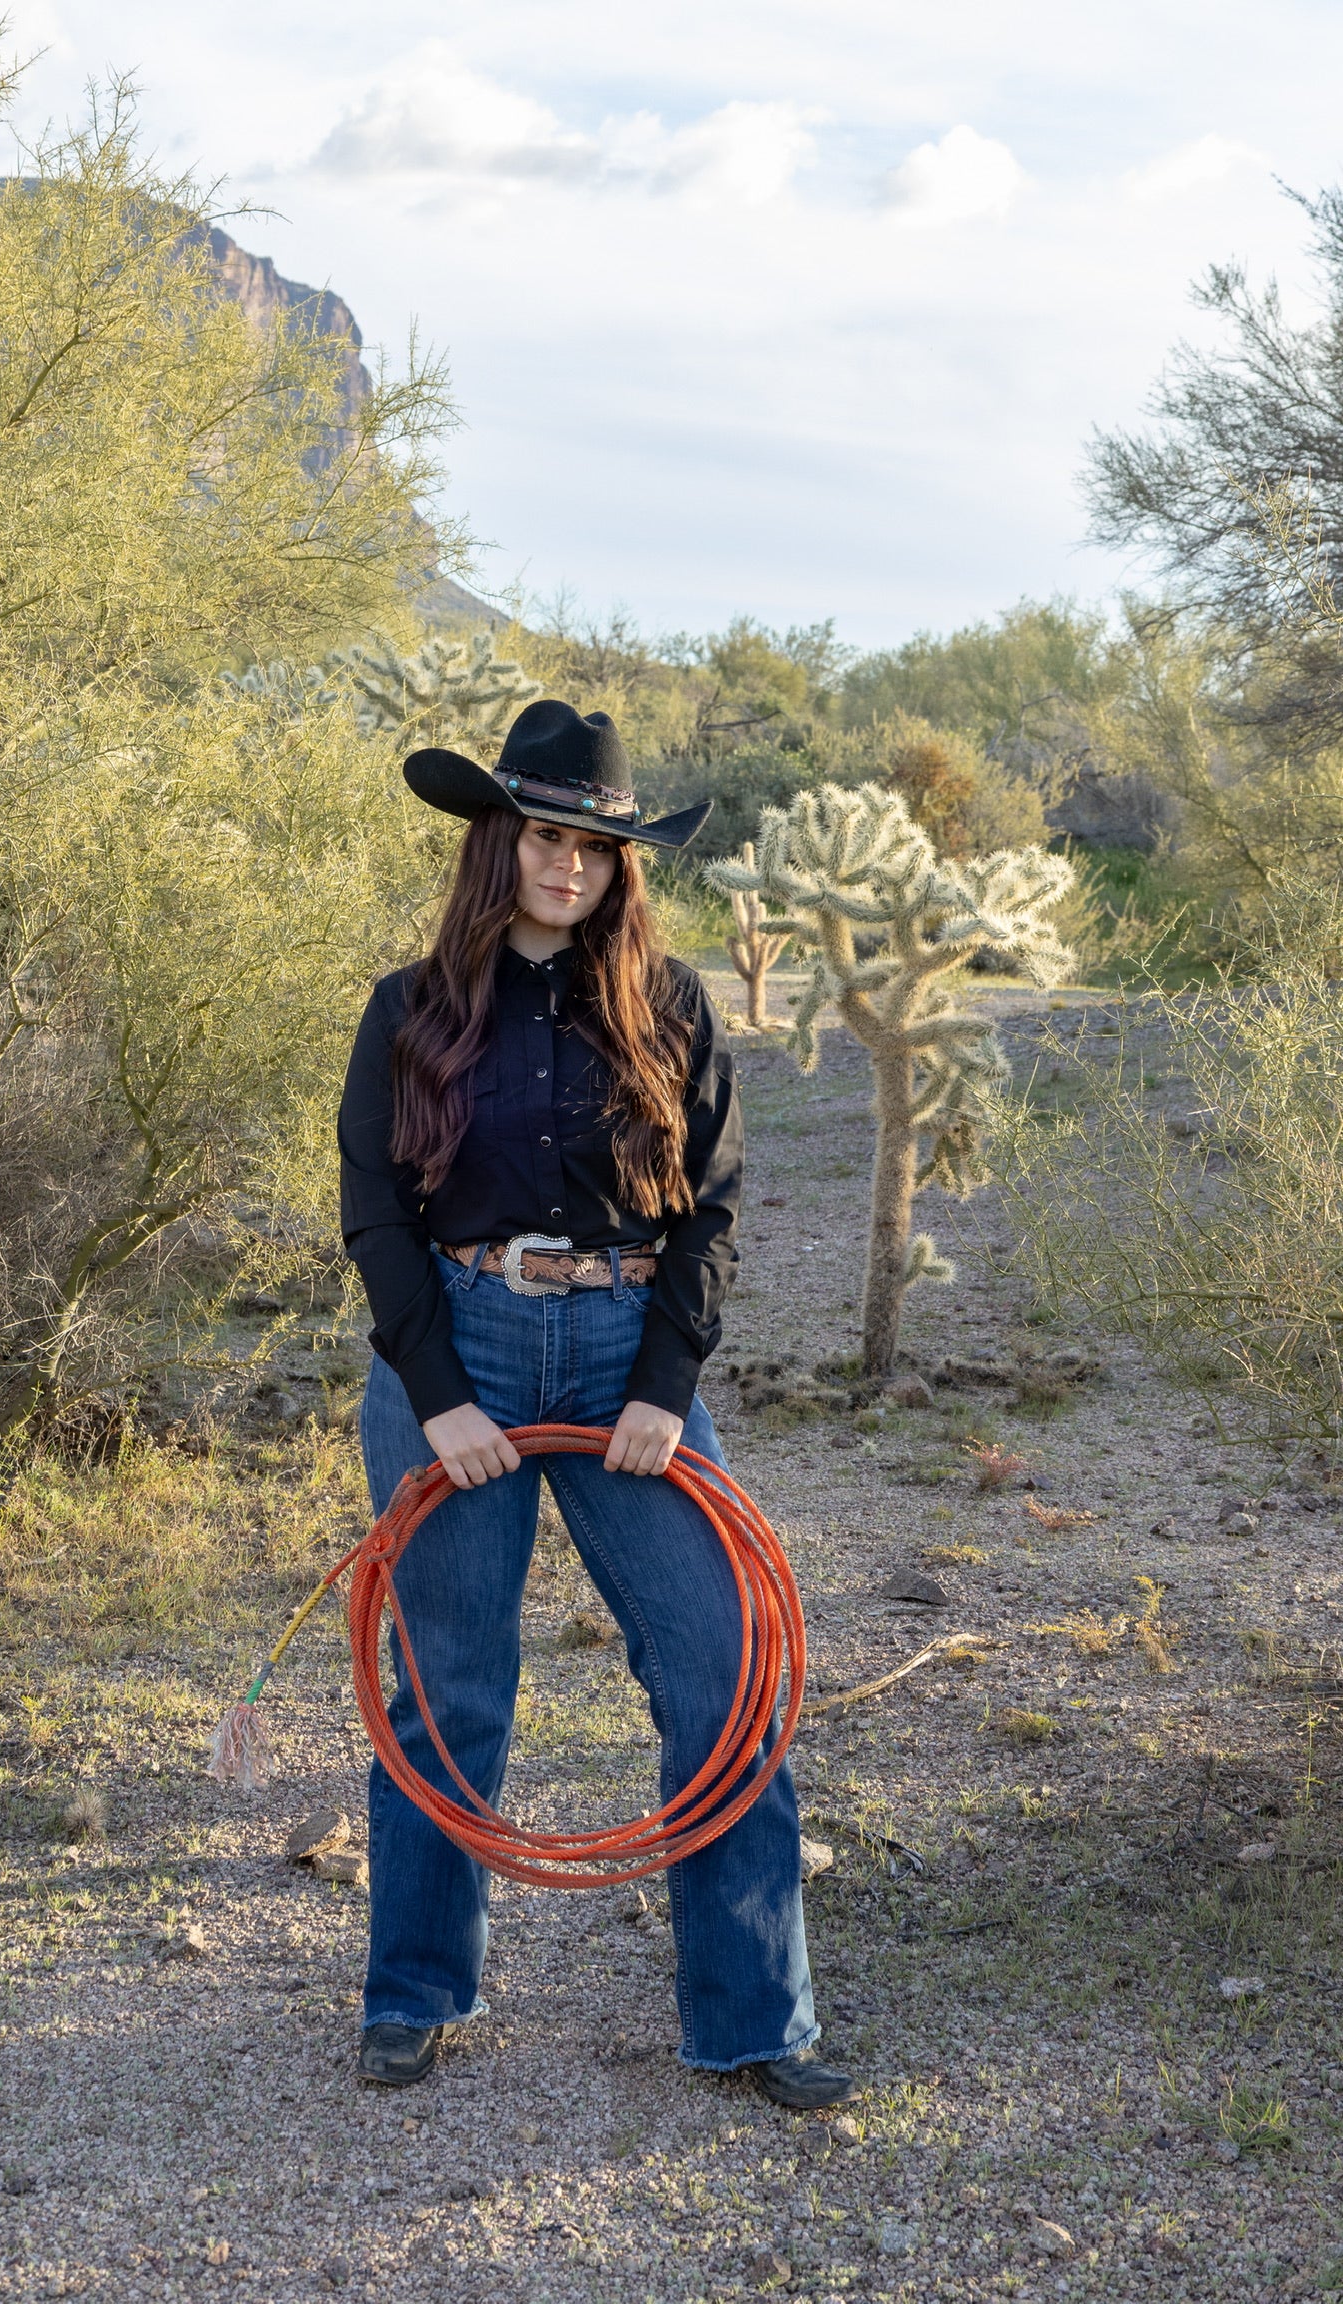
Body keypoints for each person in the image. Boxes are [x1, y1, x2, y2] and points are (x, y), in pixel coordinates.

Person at [337, 697, 852, 2107]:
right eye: (543, 836)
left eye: (596, 845)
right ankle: (413, 1993)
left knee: (722, 1671)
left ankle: (756, 2017)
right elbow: (376, 1213)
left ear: (622, 863)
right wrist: (440, 1397)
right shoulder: (409, 1008)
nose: (568, 864)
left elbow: (714, 1206)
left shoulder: (670, 1004)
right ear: (497, 840)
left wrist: (665, 1385)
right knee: (448, 1688)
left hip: (629, 1351)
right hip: (462, 1338)